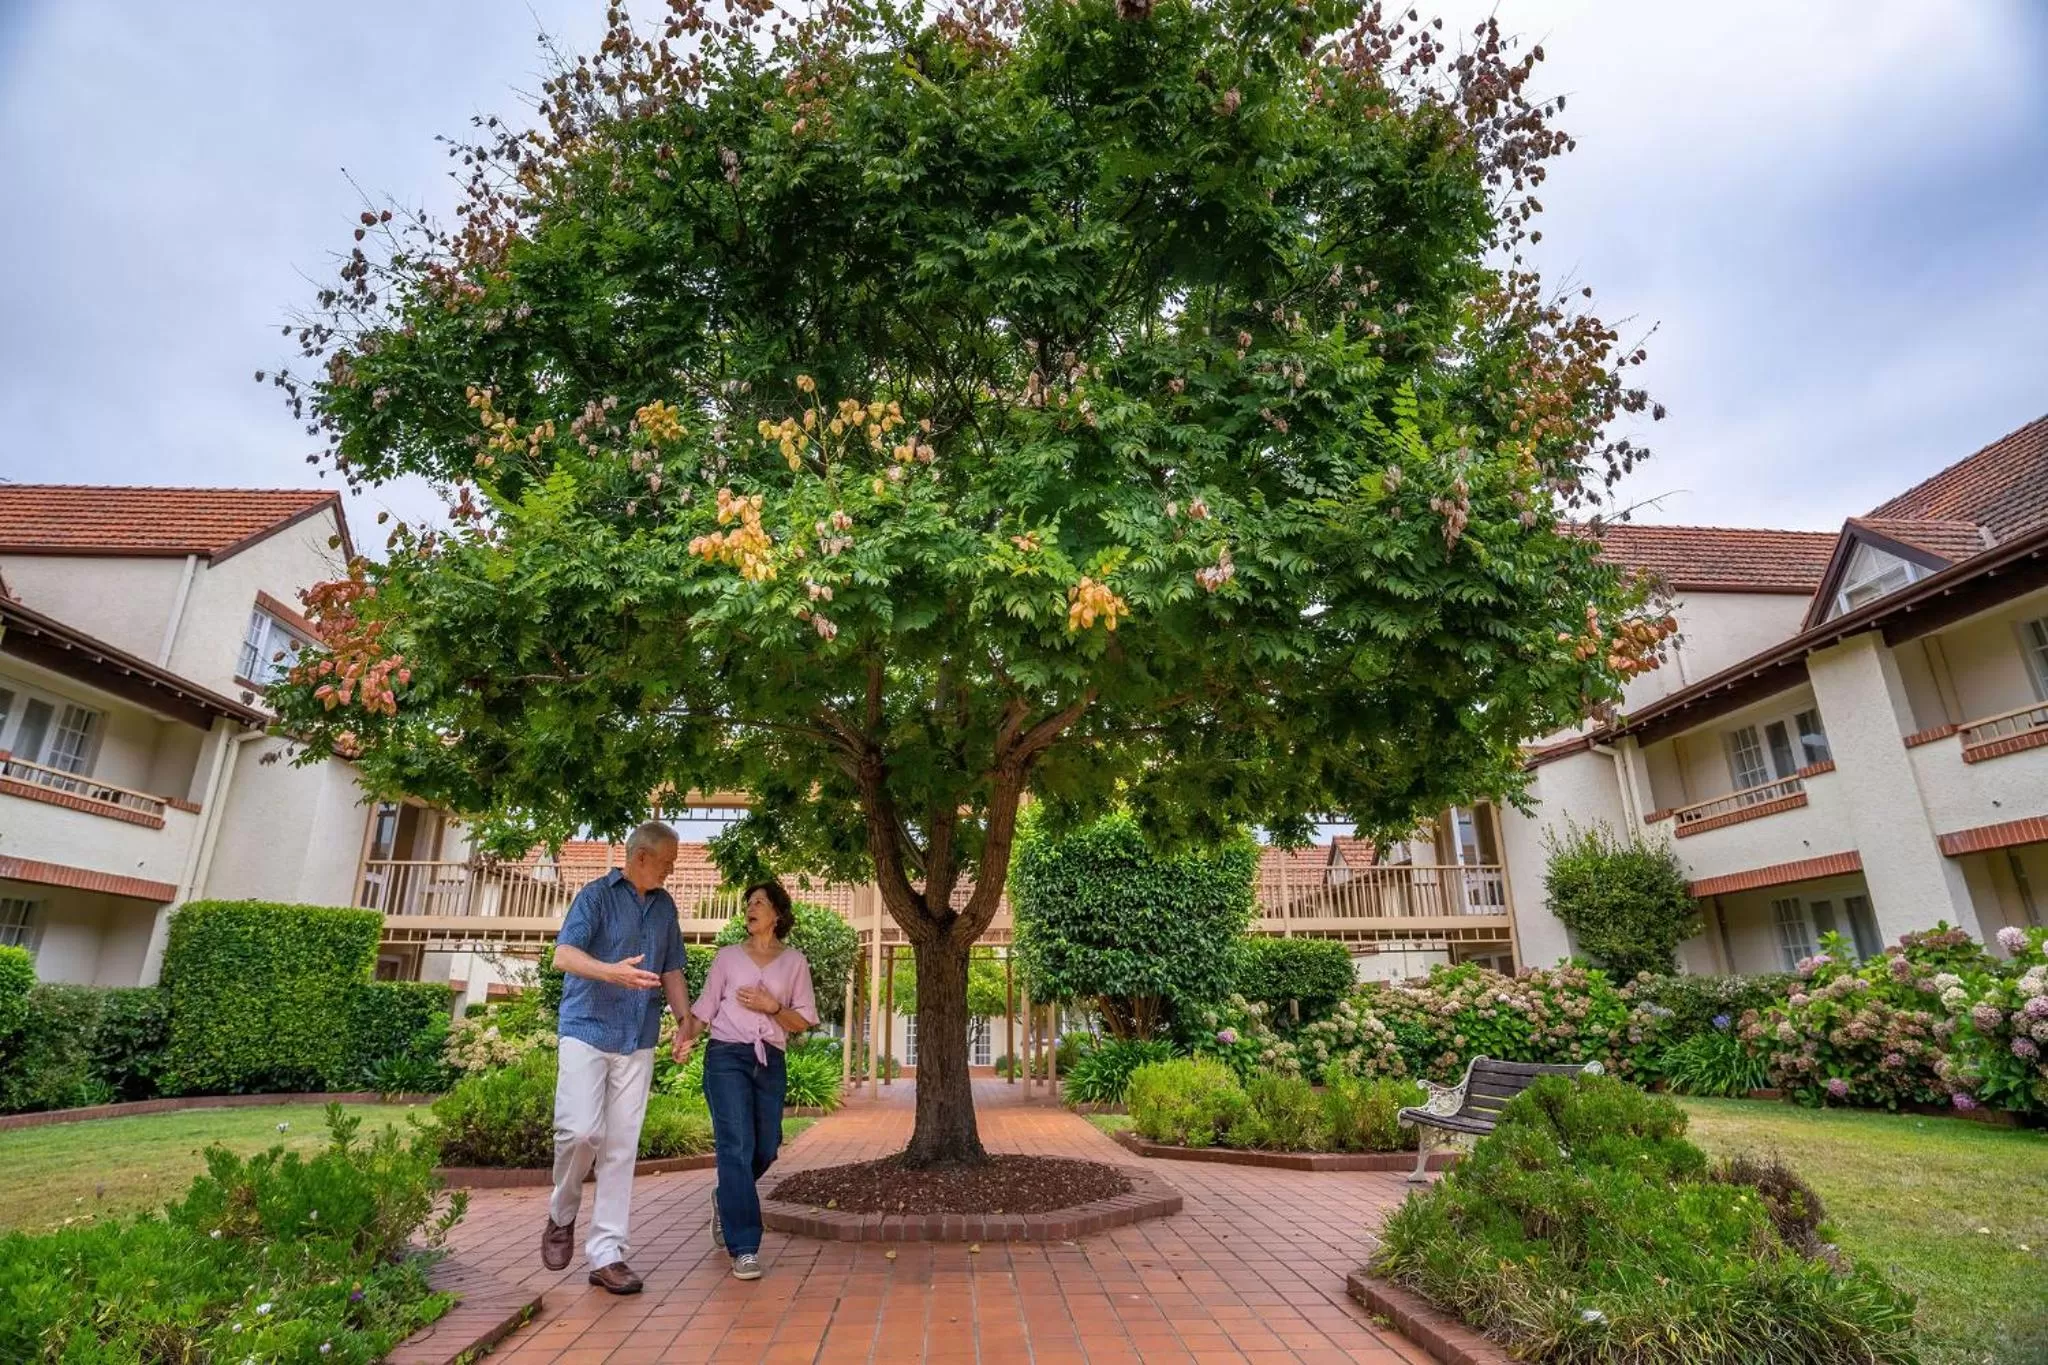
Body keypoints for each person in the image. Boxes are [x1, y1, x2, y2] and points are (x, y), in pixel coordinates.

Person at [540, 820, 696, 1295]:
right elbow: (563, 956)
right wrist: (612, 973)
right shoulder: (595, 896)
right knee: (580, 1131)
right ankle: (561, 1213)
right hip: (587, 1029)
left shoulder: (665, 907)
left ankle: (607, 1253)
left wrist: (685, 1022)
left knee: (621, 1146)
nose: (671, 870)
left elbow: (671, 968)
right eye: (667, 862)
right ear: (642, 857)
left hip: (639, 1036)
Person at [693, 879, 818, 1280]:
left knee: (766, 1146)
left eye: (760, 902)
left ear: (777, 915)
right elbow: (705, 1009)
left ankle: (726, 1197)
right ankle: (744, 1246)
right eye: (749, 901)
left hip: (770, 1058)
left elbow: (800, 1021)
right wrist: (682, 1038)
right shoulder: (728, 958)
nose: (751, 907)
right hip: (726, 1054)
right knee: (736, 1145)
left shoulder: (794, 961)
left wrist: (771, 1006)